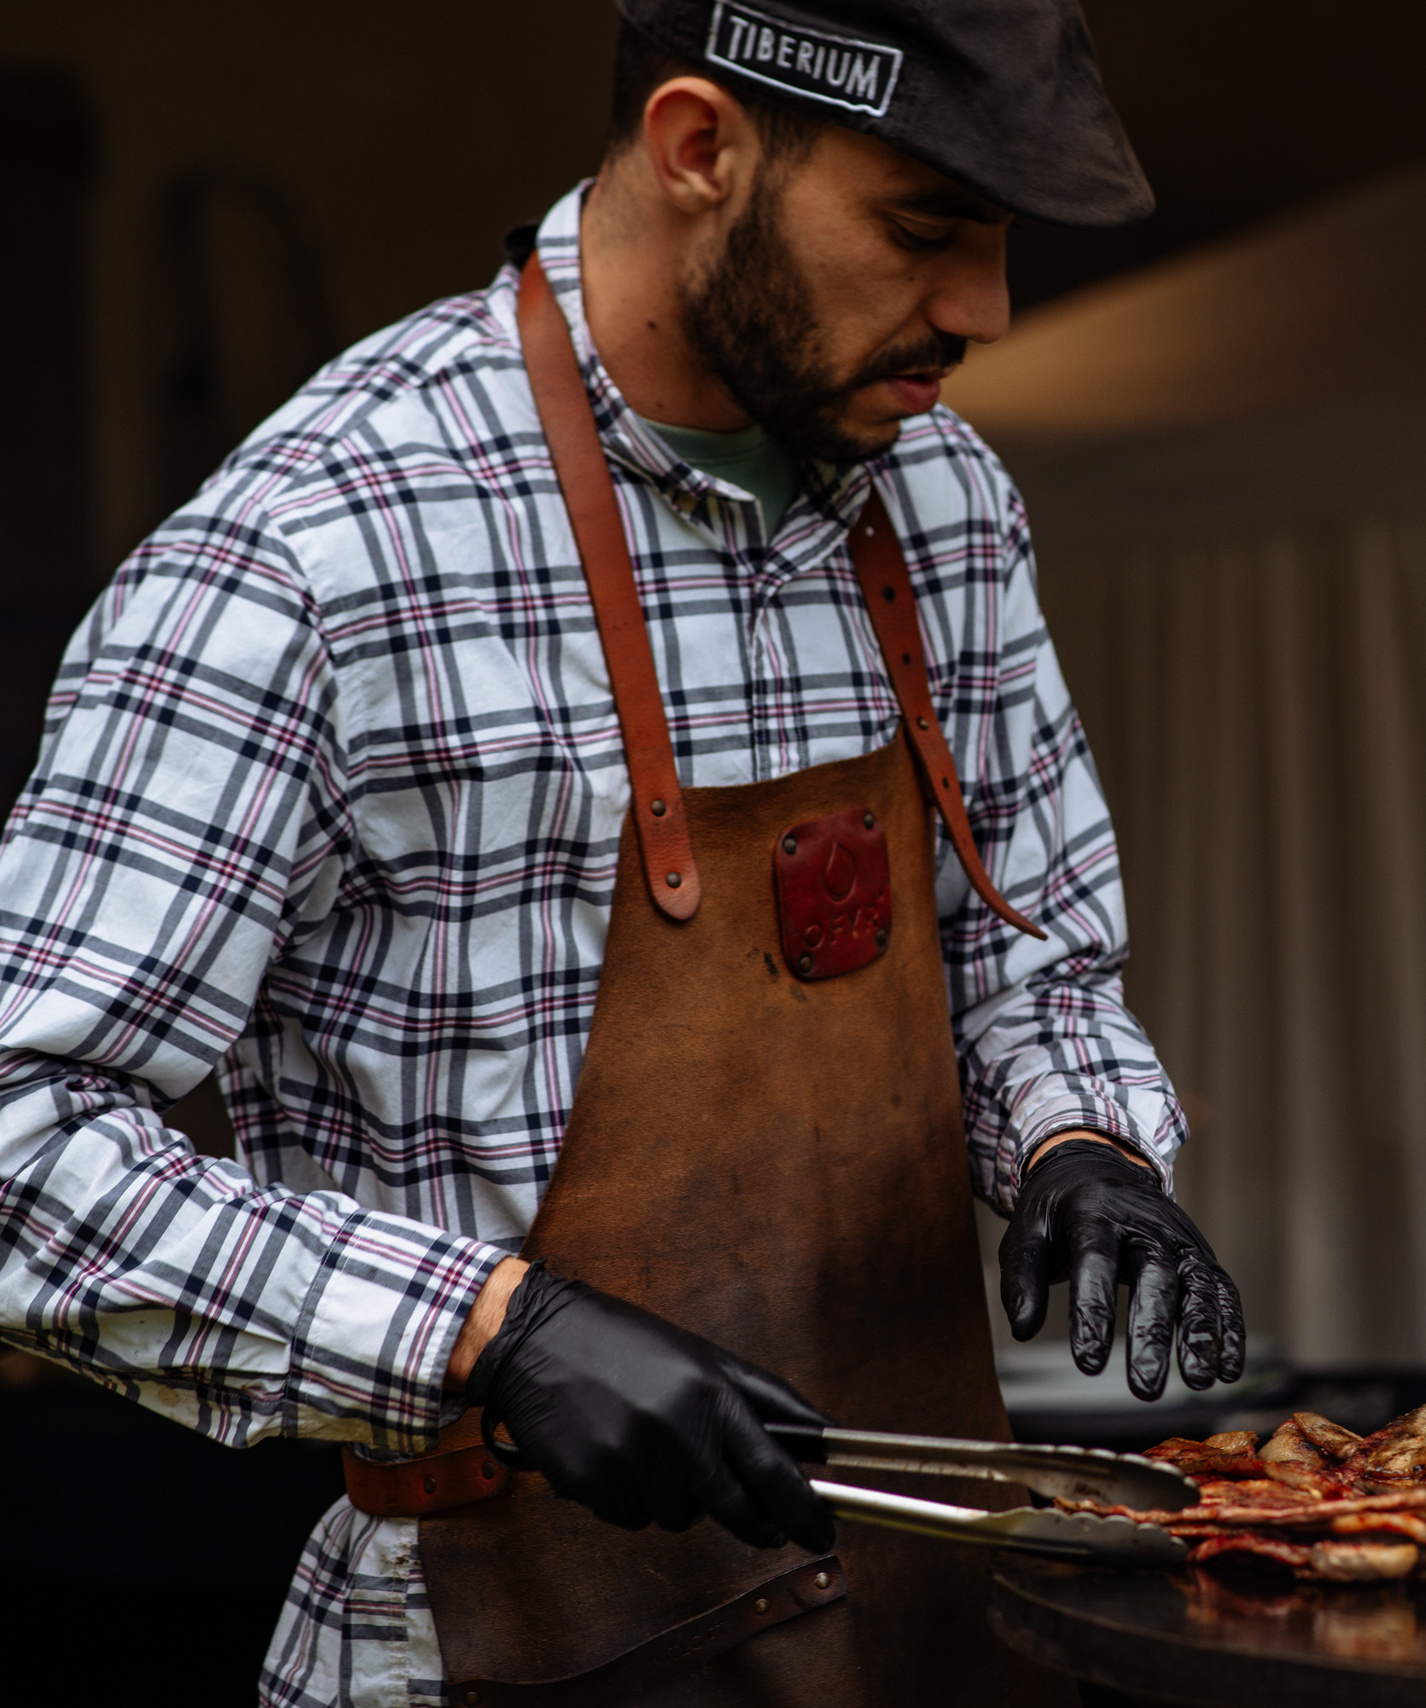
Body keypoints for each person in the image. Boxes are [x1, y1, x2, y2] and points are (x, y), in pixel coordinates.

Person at [0, 2, 1241, 1703]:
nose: (985, 312)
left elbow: (1030, 961)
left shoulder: (941, 498)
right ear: (699, 148)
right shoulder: (313, 552)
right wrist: (487, 1333)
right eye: (925, 231)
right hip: (505, 1644)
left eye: (1002, 241)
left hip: (931, 1623)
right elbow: (21, 1152)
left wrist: (1081, 1140)